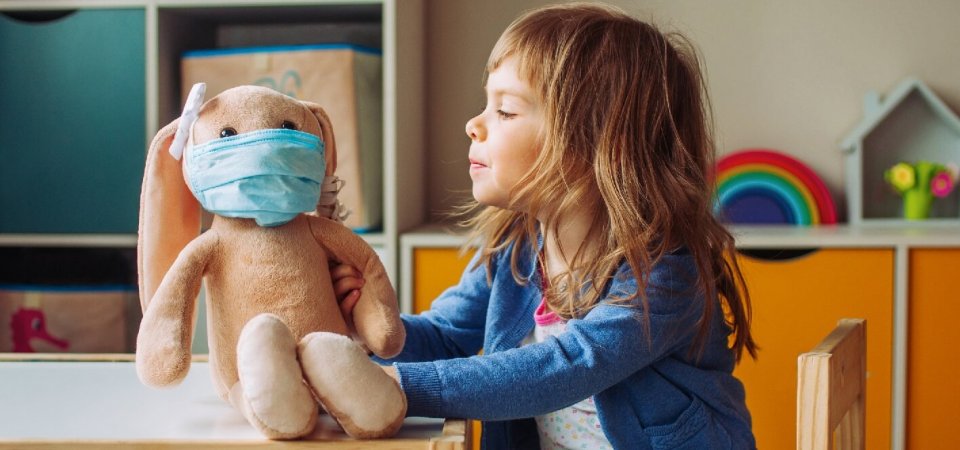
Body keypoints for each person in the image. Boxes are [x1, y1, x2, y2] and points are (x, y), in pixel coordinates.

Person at [333, 2, 758, 449]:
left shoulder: (664, 273)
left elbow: (565, 366)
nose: (473, 124)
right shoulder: (513, 249)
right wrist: (367, 332)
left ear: (595, 143)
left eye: (505, 111)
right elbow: (443, 335)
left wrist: (395, 388)